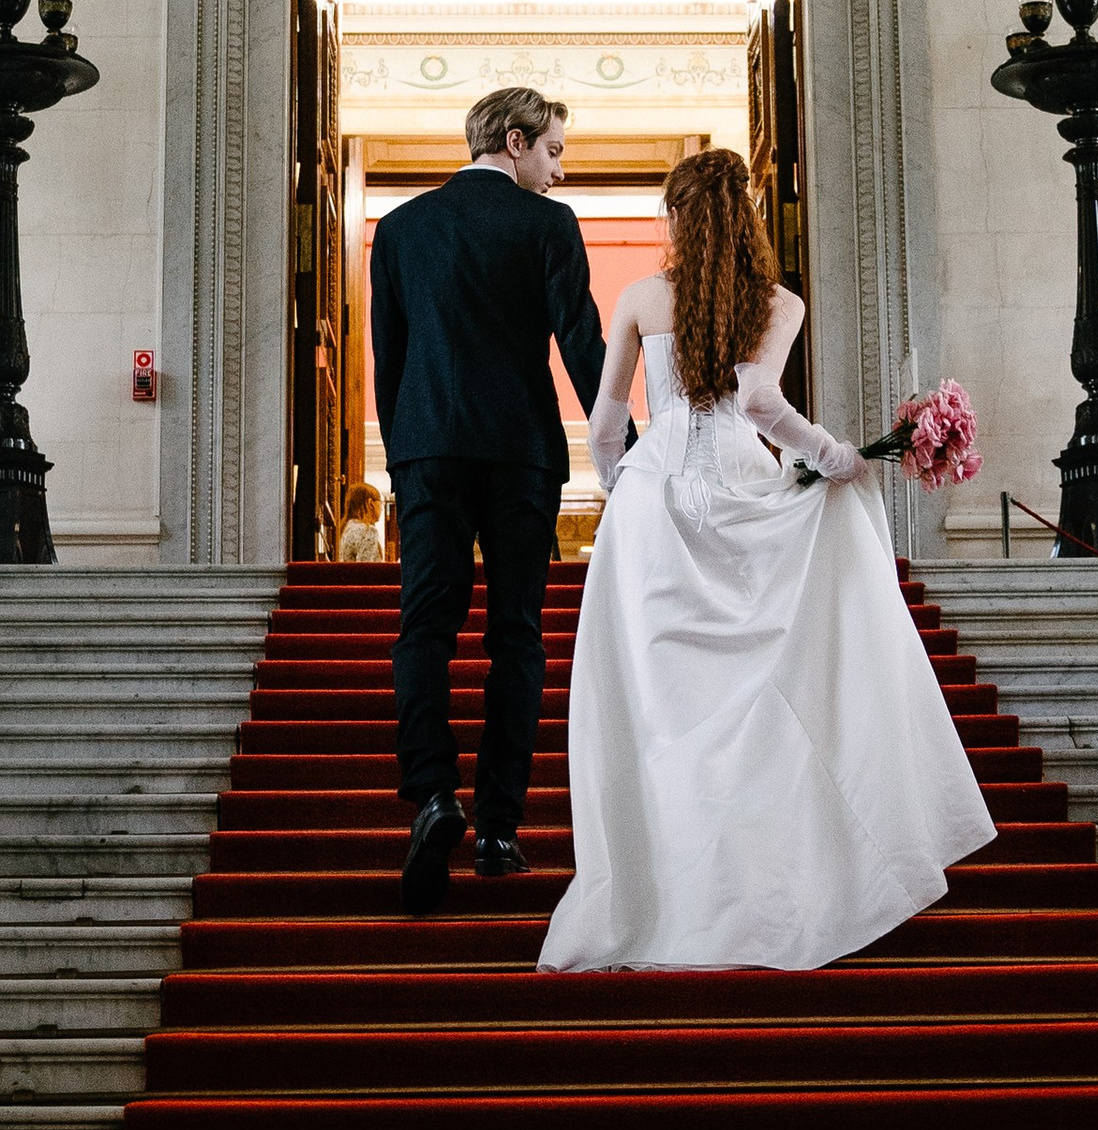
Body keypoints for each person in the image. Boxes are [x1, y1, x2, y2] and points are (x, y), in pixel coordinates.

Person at [542, 147, 993, 972]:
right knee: (754, 699)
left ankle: (665, 896)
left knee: (657, 712)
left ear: (675, 217)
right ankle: (759, 892)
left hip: (650, 505)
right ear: (747, 217)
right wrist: (834, 456)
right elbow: (756, 401)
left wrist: (625, 484)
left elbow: (605, 423)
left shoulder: (640, 297)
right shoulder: (779, 302)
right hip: (742, 485)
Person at [371, 84, 611, 910]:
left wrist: (407, 455)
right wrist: (628, 452)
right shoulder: (549, 225)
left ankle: (434, 795)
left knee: (424, 627)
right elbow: (582, 346)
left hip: (428, 449)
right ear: (515, 140)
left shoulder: (400, 228)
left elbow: (390, 360)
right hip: (522, 455)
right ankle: (499, 831)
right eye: (554, 151)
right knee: (516, 636)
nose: (559, 170)